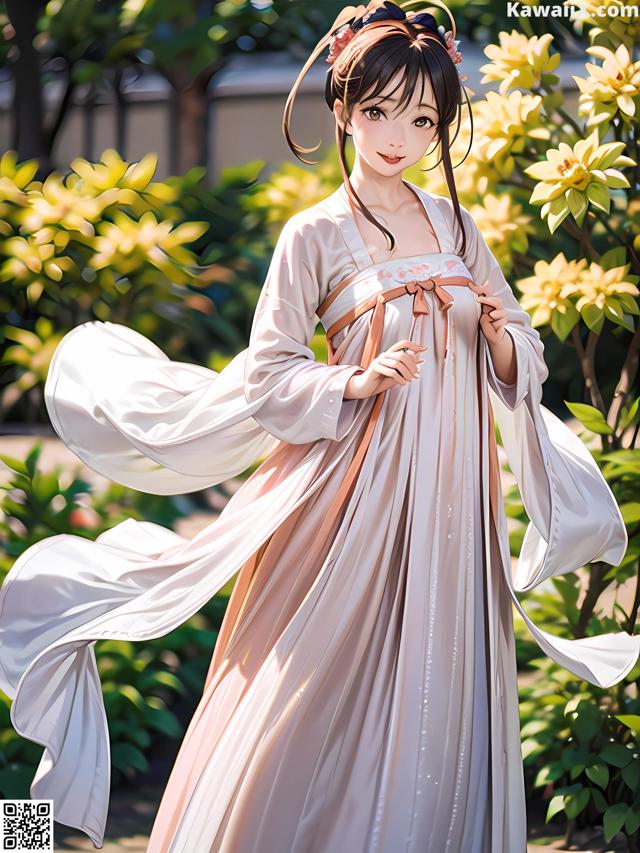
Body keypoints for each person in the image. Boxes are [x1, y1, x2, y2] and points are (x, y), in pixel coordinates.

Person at [0, 1, 638, 850]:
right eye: (377, 111)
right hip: (352, 497)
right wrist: (355, 377)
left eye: (421, 117)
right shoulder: (315, 234)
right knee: (305, 690)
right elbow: (268, 375)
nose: (397, 136)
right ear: (341, 109)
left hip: (452, 504)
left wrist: (501, 339)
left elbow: (521, 346)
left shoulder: (454, 223)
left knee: (437, 684)